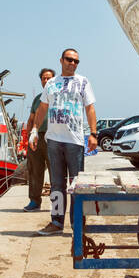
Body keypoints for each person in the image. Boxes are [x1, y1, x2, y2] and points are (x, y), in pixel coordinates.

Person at [30, 48, 96, 236]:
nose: (72, 63)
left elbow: (90, 109)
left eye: (76, 61)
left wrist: (93, 133)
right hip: (54, 141)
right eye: (69, 60)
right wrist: (34, 130)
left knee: (77, 184)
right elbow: (42, 109)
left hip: (75, 142)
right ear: (61, 60)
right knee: (57, 184)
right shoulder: (51, 84)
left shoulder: (83, 82)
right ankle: (56, 222)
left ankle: (77, 224)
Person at [21, 68, 55, 211]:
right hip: (37, 137)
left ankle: (56, 203)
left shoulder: (59, 98)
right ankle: (34, 201)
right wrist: (29, 138)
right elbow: (30, 120)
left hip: (54, 137)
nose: (46, 81)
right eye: (43, 79)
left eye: (49, 78)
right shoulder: (37, 99)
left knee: (56, 171)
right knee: (34, 170)